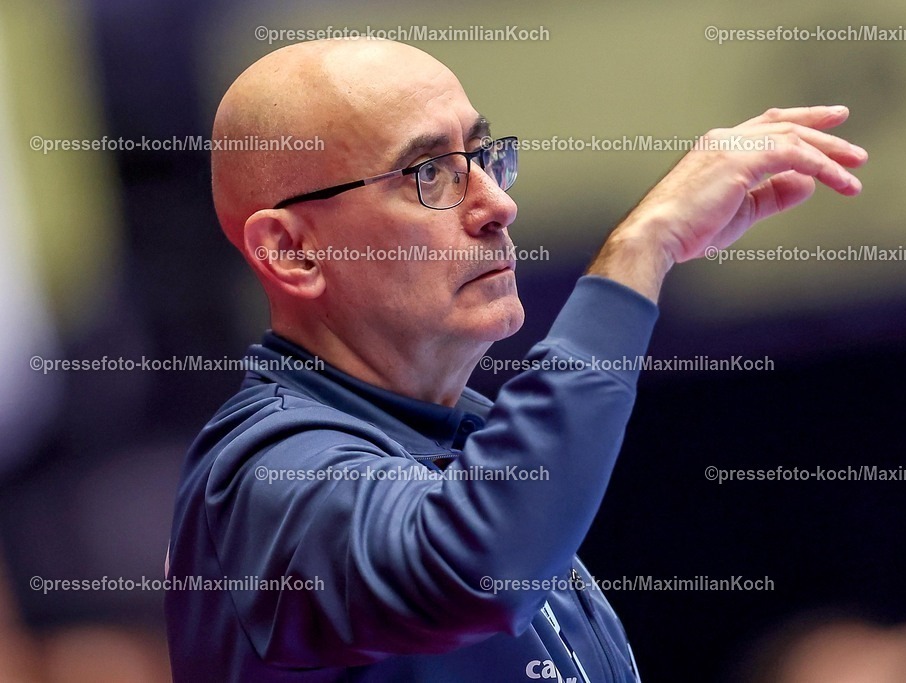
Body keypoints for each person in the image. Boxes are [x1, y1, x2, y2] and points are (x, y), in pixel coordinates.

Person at [165, 37, 866, 682]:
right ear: (292, 251)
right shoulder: (263, 477)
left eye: (482, 155)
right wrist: (641, 247)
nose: (496, 203)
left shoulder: (459, 443)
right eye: (429, 173)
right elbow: (476, 565)